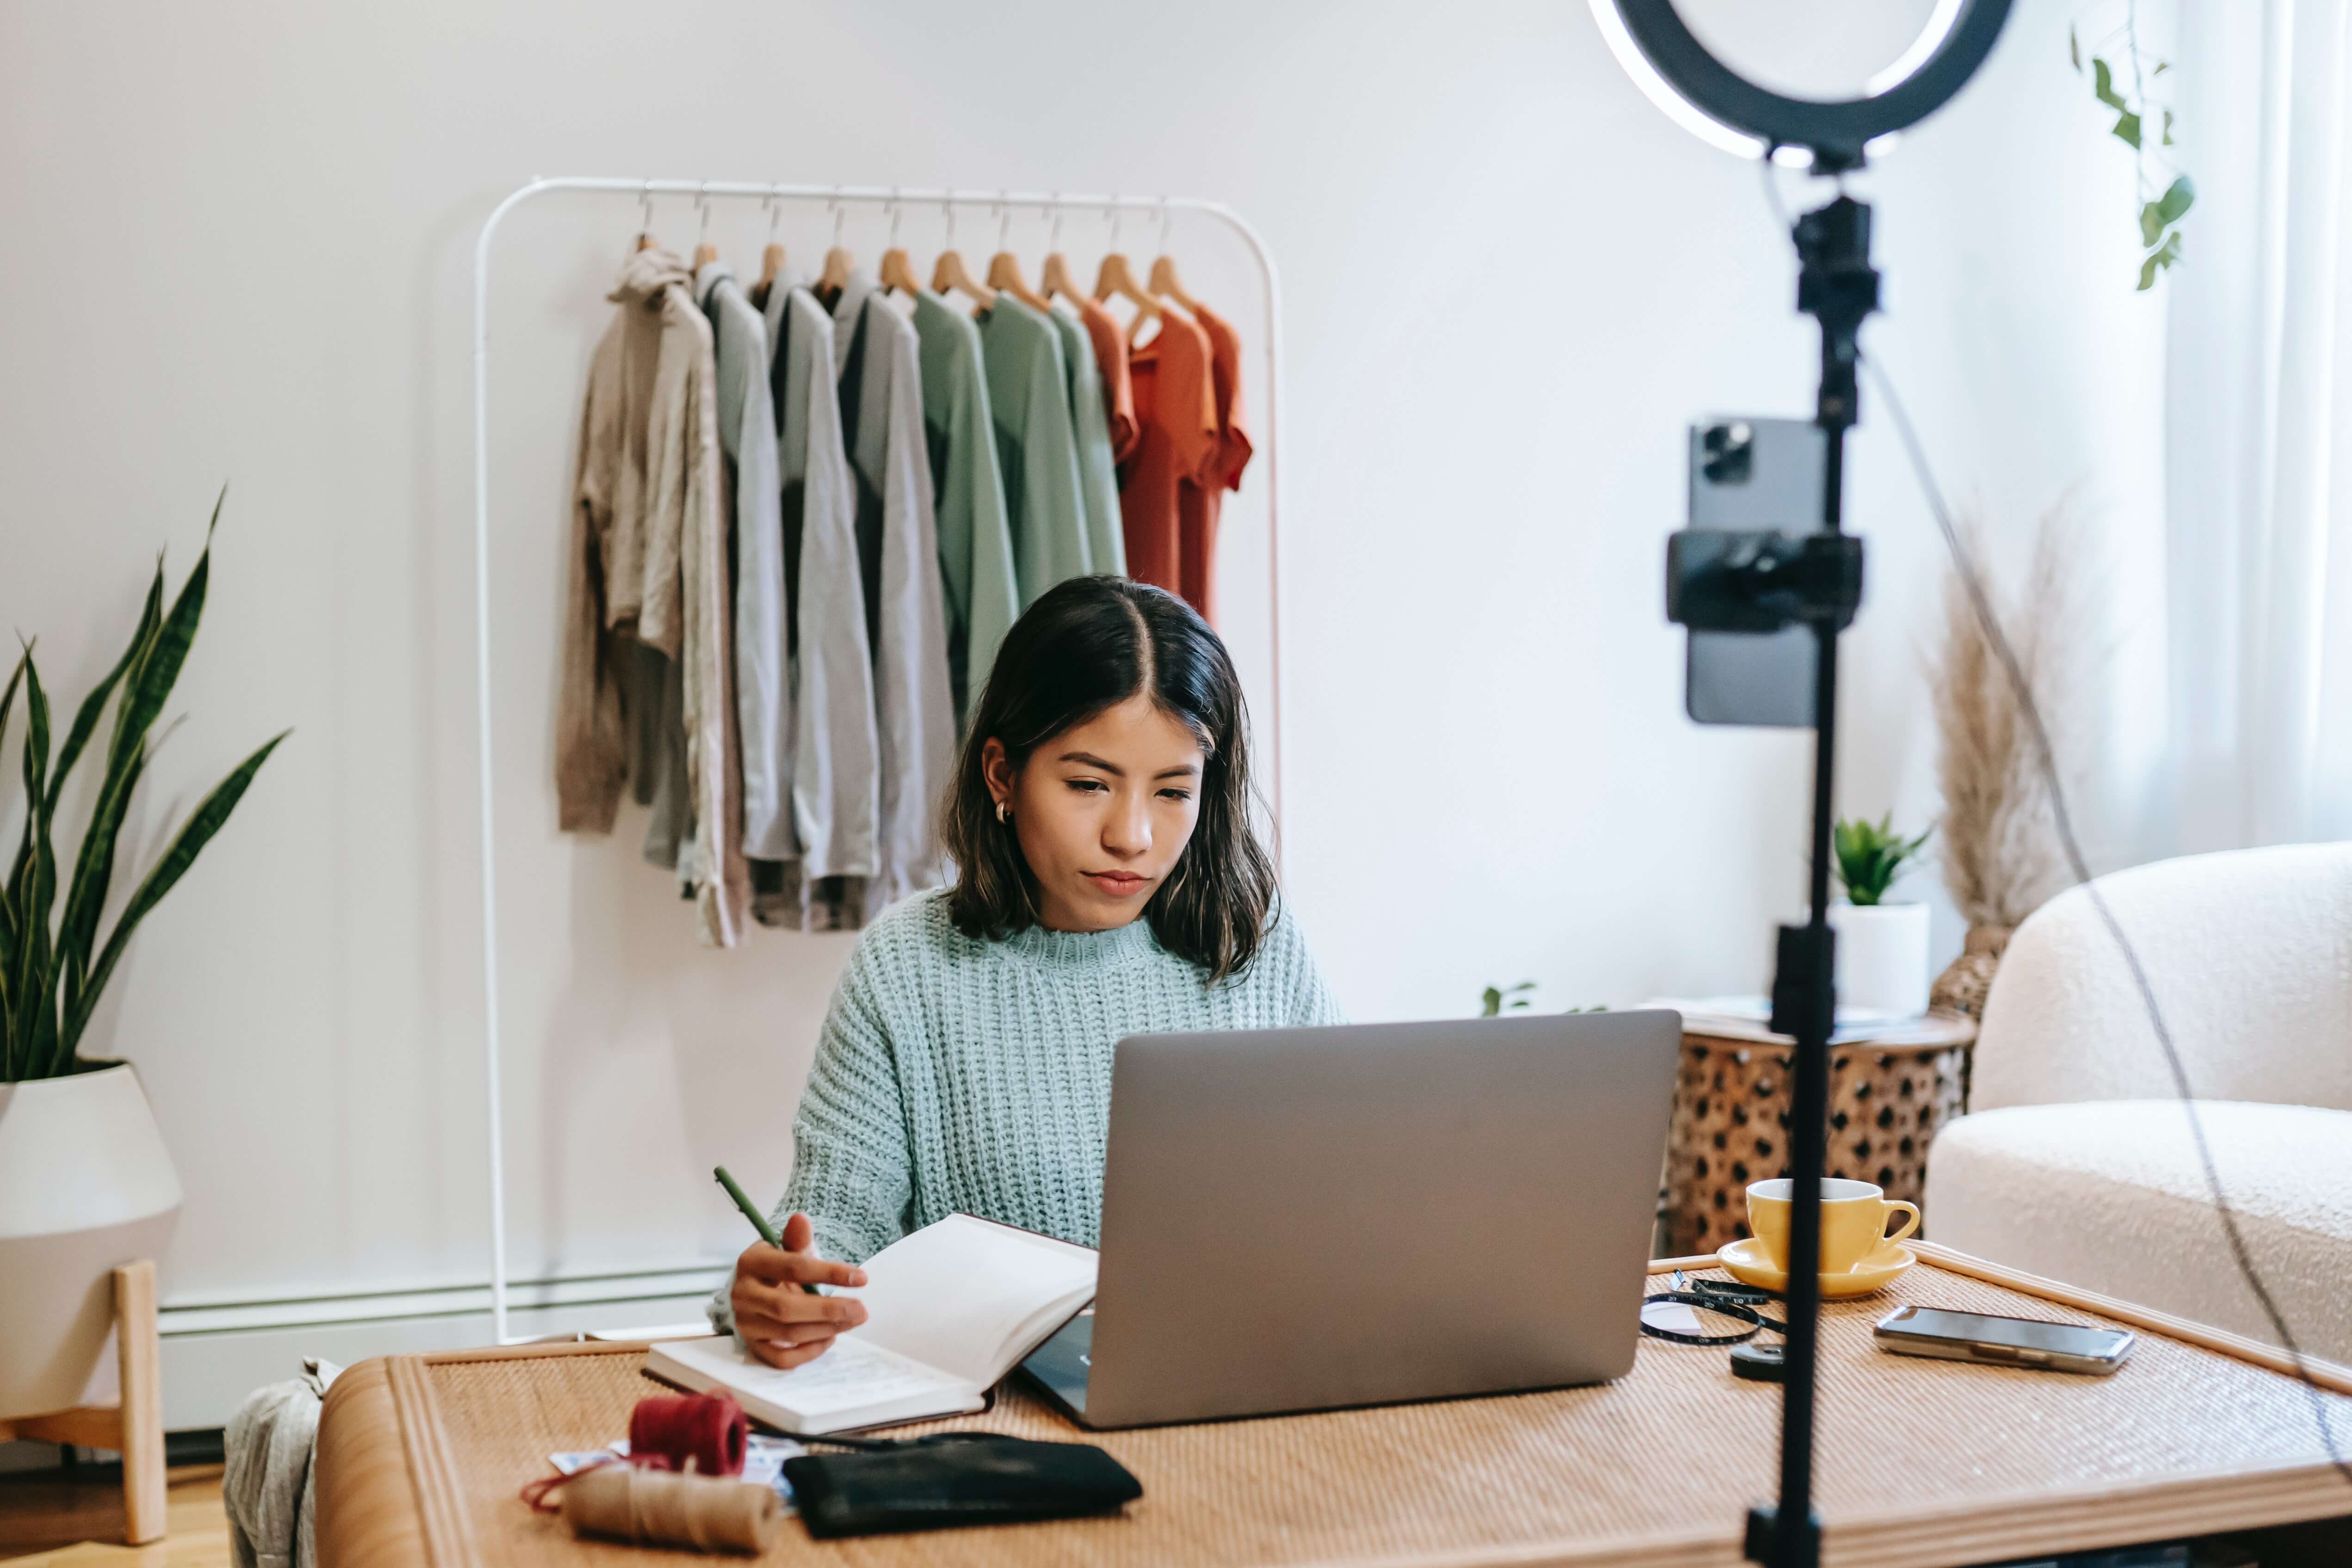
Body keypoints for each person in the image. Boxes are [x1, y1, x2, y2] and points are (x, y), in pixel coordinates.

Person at [719, 575, 1342, 1367]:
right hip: (1007, 1423)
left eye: (1174, 790)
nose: (1133, 836)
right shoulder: (905, 968)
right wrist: (782, 1296)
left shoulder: (1253, 940)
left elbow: (1353, 1201)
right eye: (1087, 785)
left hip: (1250, 1386)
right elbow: (833, 1232)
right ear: (1002, 776)